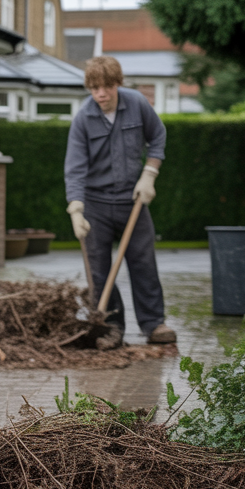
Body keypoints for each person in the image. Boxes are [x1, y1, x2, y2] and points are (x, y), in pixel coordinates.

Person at [64, 56, 176, 346]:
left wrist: (149, 174)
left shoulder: (136, 103)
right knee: (99, 271)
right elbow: (75, 168)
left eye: (107, 87)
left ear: (118, 84)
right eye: (95, 88)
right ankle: (111, 328)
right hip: (96, 204)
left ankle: (154, 324)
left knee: (144, 263)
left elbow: (158, 136)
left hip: (132, 200)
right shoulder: (83, 118)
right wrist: (76, 208)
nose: (101, 94)